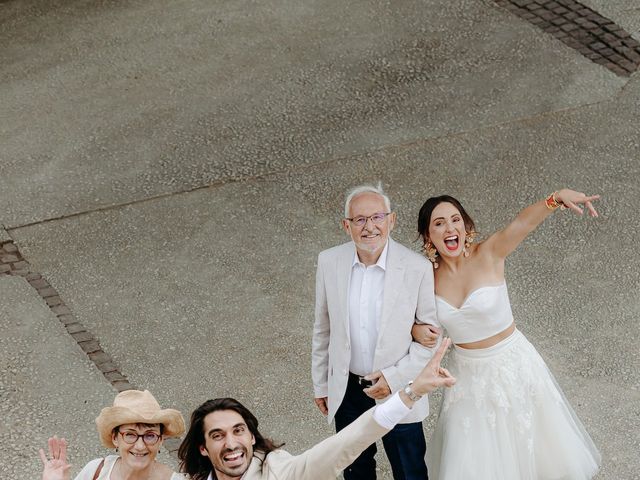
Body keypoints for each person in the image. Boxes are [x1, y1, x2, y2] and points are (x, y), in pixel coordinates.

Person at [412, 189, 602, 479]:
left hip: (512, 366)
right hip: (467, 378)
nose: (450, 228)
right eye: (439, 223)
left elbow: (522, 224)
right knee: (475, 462)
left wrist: (555, 199)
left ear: (466, 226)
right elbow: (407, 314)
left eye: (455, 220)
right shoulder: (425, 277)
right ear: (428, 236)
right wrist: (415, 328)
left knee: (530, 452)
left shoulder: (489, 253)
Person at [178, 339, 455, 480]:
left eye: (238, 431)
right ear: (203, 448)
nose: (231, 443)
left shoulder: (280, 473)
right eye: (217, 435)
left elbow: (349, 441)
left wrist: (412, 391)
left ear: (251, 436)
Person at [312, 184, 441, 479]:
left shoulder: (417, 267)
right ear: (347, 226)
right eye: (359, 220)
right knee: (355, 470)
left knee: (409, 470)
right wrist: (322, 383)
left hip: (400, 389)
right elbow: (323, 329)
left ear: (391, 220)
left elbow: (429, 341)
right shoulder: (329, 261)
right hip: (348, 390)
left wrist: (393, 378)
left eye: (377, 217)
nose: (369, 227)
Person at [39, 389, 186, 480]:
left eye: (150, 435)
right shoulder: (95, 470)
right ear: (115, 438)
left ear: (160, 440)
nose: (140, 446)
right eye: (130, 434)